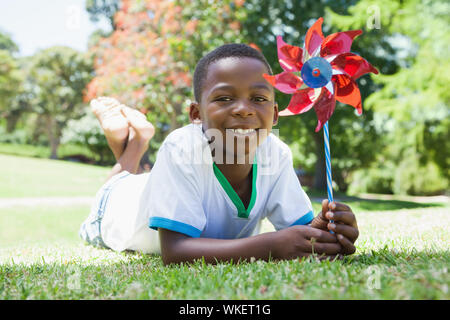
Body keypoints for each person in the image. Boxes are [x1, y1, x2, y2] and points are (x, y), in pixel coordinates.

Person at [79, 44, 359, 264]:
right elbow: (175, 252)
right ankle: (135, 144)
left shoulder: (277, 155)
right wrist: (273, 245)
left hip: (153, 185)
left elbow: (301, 230)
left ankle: (137, 139)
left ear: (274, 115)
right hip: (114, 207)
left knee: (143, 177)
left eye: (259, 99)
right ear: (196, 114)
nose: (243, 109)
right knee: (118, 182)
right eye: (224, 98)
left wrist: (327, 232)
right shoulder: (181, 148)